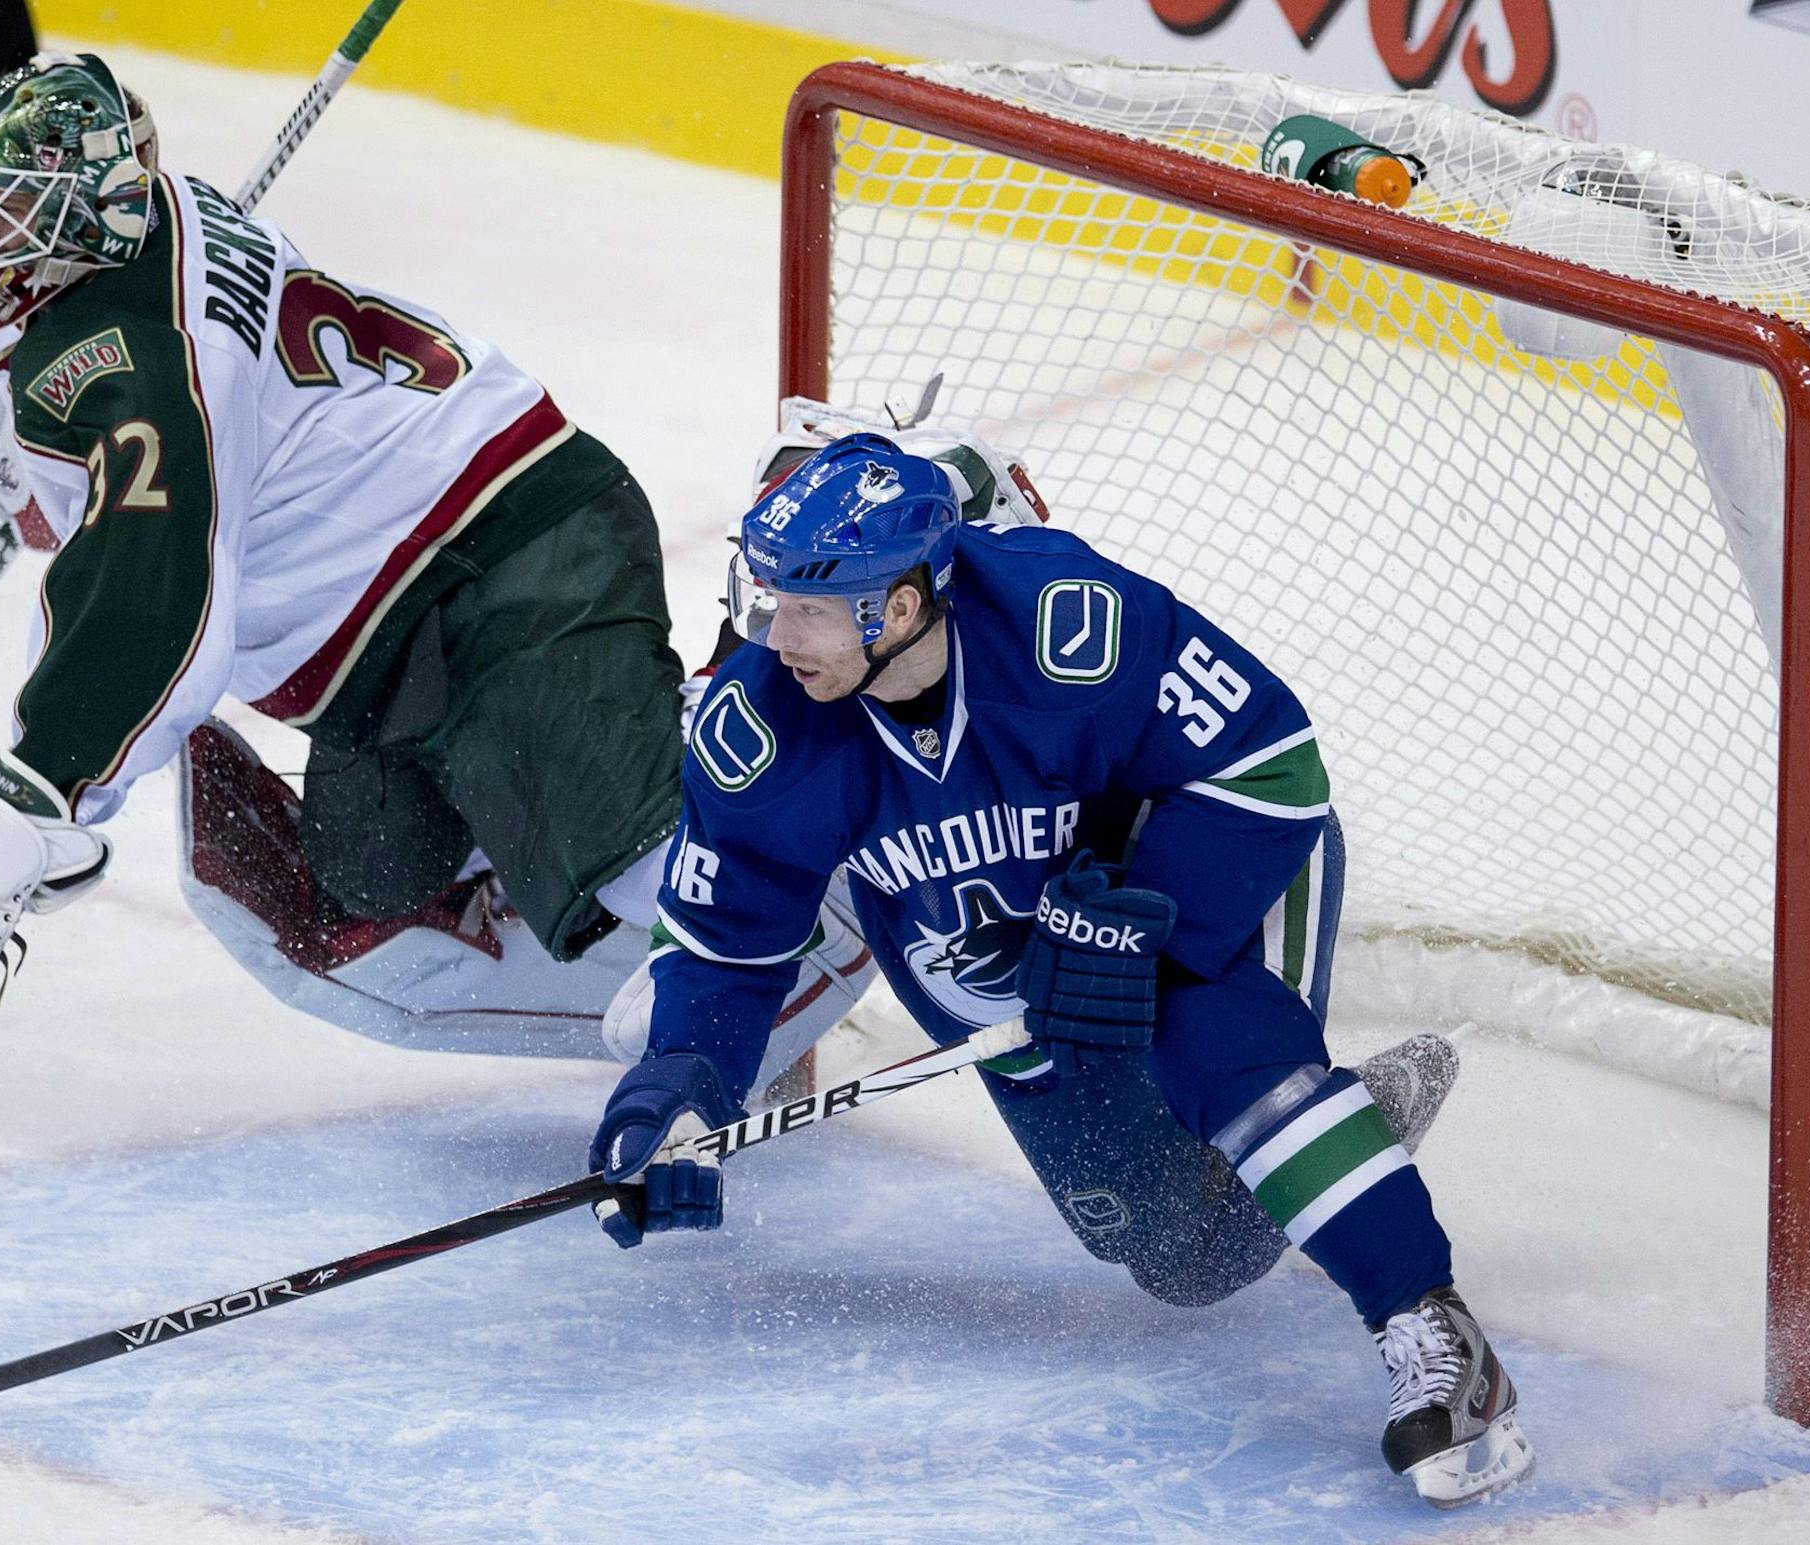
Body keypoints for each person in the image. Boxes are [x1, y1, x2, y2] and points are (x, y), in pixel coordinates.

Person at [0, 52, 868, 1088]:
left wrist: (43, 790)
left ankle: (770, 757)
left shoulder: (131, 365)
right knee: (374, 871)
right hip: (388, 632)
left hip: (506, 552)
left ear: (84, 214)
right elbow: (179, 394)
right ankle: (559, 776)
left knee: (630, 867)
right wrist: (52, 456)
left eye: (8, 209)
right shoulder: (162, 214)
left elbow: (159, 596)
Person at [585, 422, 1531, 1506]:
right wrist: (678, 1086)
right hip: (990, 969)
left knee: (1222, 1053)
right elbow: (723, 946)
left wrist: (1145, 928)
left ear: (899, 606)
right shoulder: (763, 727)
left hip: (1194, 876)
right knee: (1184, 1259)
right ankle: (1359, 1117)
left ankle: (1436, 1335)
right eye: (768, 597)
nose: (773, 633)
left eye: (807, 605)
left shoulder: (1067, 623)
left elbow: (1271, 766)